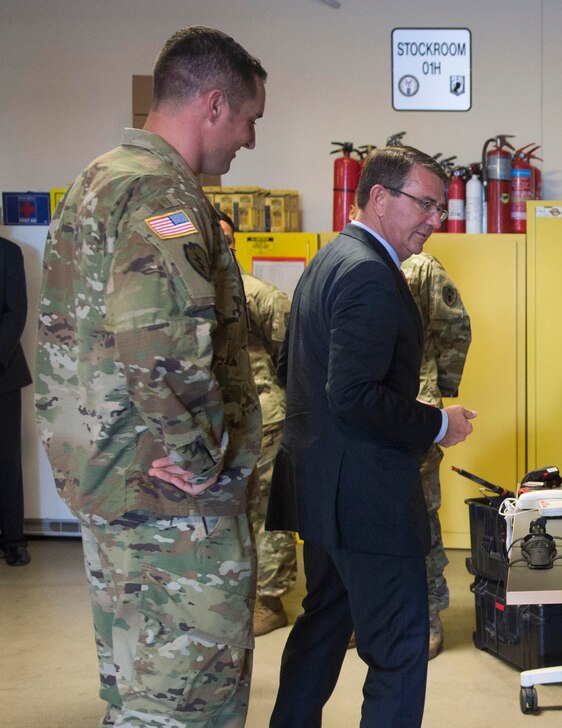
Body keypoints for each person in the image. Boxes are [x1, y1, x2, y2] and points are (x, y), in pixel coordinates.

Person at [34, 26, 266, 726]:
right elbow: (154, 335)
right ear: (215, 103)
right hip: (170, 504)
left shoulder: (96, 181)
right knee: (191, 700)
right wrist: (199, 460)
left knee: (142, 690)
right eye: (251, 120)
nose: (250, 141)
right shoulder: (164, 194)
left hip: (116, 483)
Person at [266, 145, 477, 728]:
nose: (435, 220)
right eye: (425, 205)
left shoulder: (330, 258)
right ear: (379, 197)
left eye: (441, 207)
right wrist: (439, 422)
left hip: (323, 489)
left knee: (325, 621)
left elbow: (293, 363)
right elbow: (355, 396)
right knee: (400, 647)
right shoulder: (370, 274)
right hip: (367, 498)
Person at [219, 211, 298, 635]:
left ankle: (270, 599)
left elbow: (292, 359)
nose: (224, 247)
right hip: (214, 423)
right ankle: (235, 592)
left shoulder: (261, 296)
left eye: (229, 239)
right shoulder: (189, 295)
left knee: (268, 511)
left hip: (265, 420)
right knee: (230, 512)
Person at [402, 251, 472, 659]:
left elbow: (455, 326)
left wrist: (440, 386)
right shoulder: (354, 258)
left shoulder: (420, 267)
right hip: (368, 408)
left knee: (420, 514)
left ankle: (427, 614)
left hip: (415, 405)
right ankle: (375, 614)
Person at [1, 236, 32, 567]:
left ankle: (13, 541)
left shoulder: (9, 253)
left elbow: (16, 310)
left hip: (3, 373)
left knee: (6, 461)